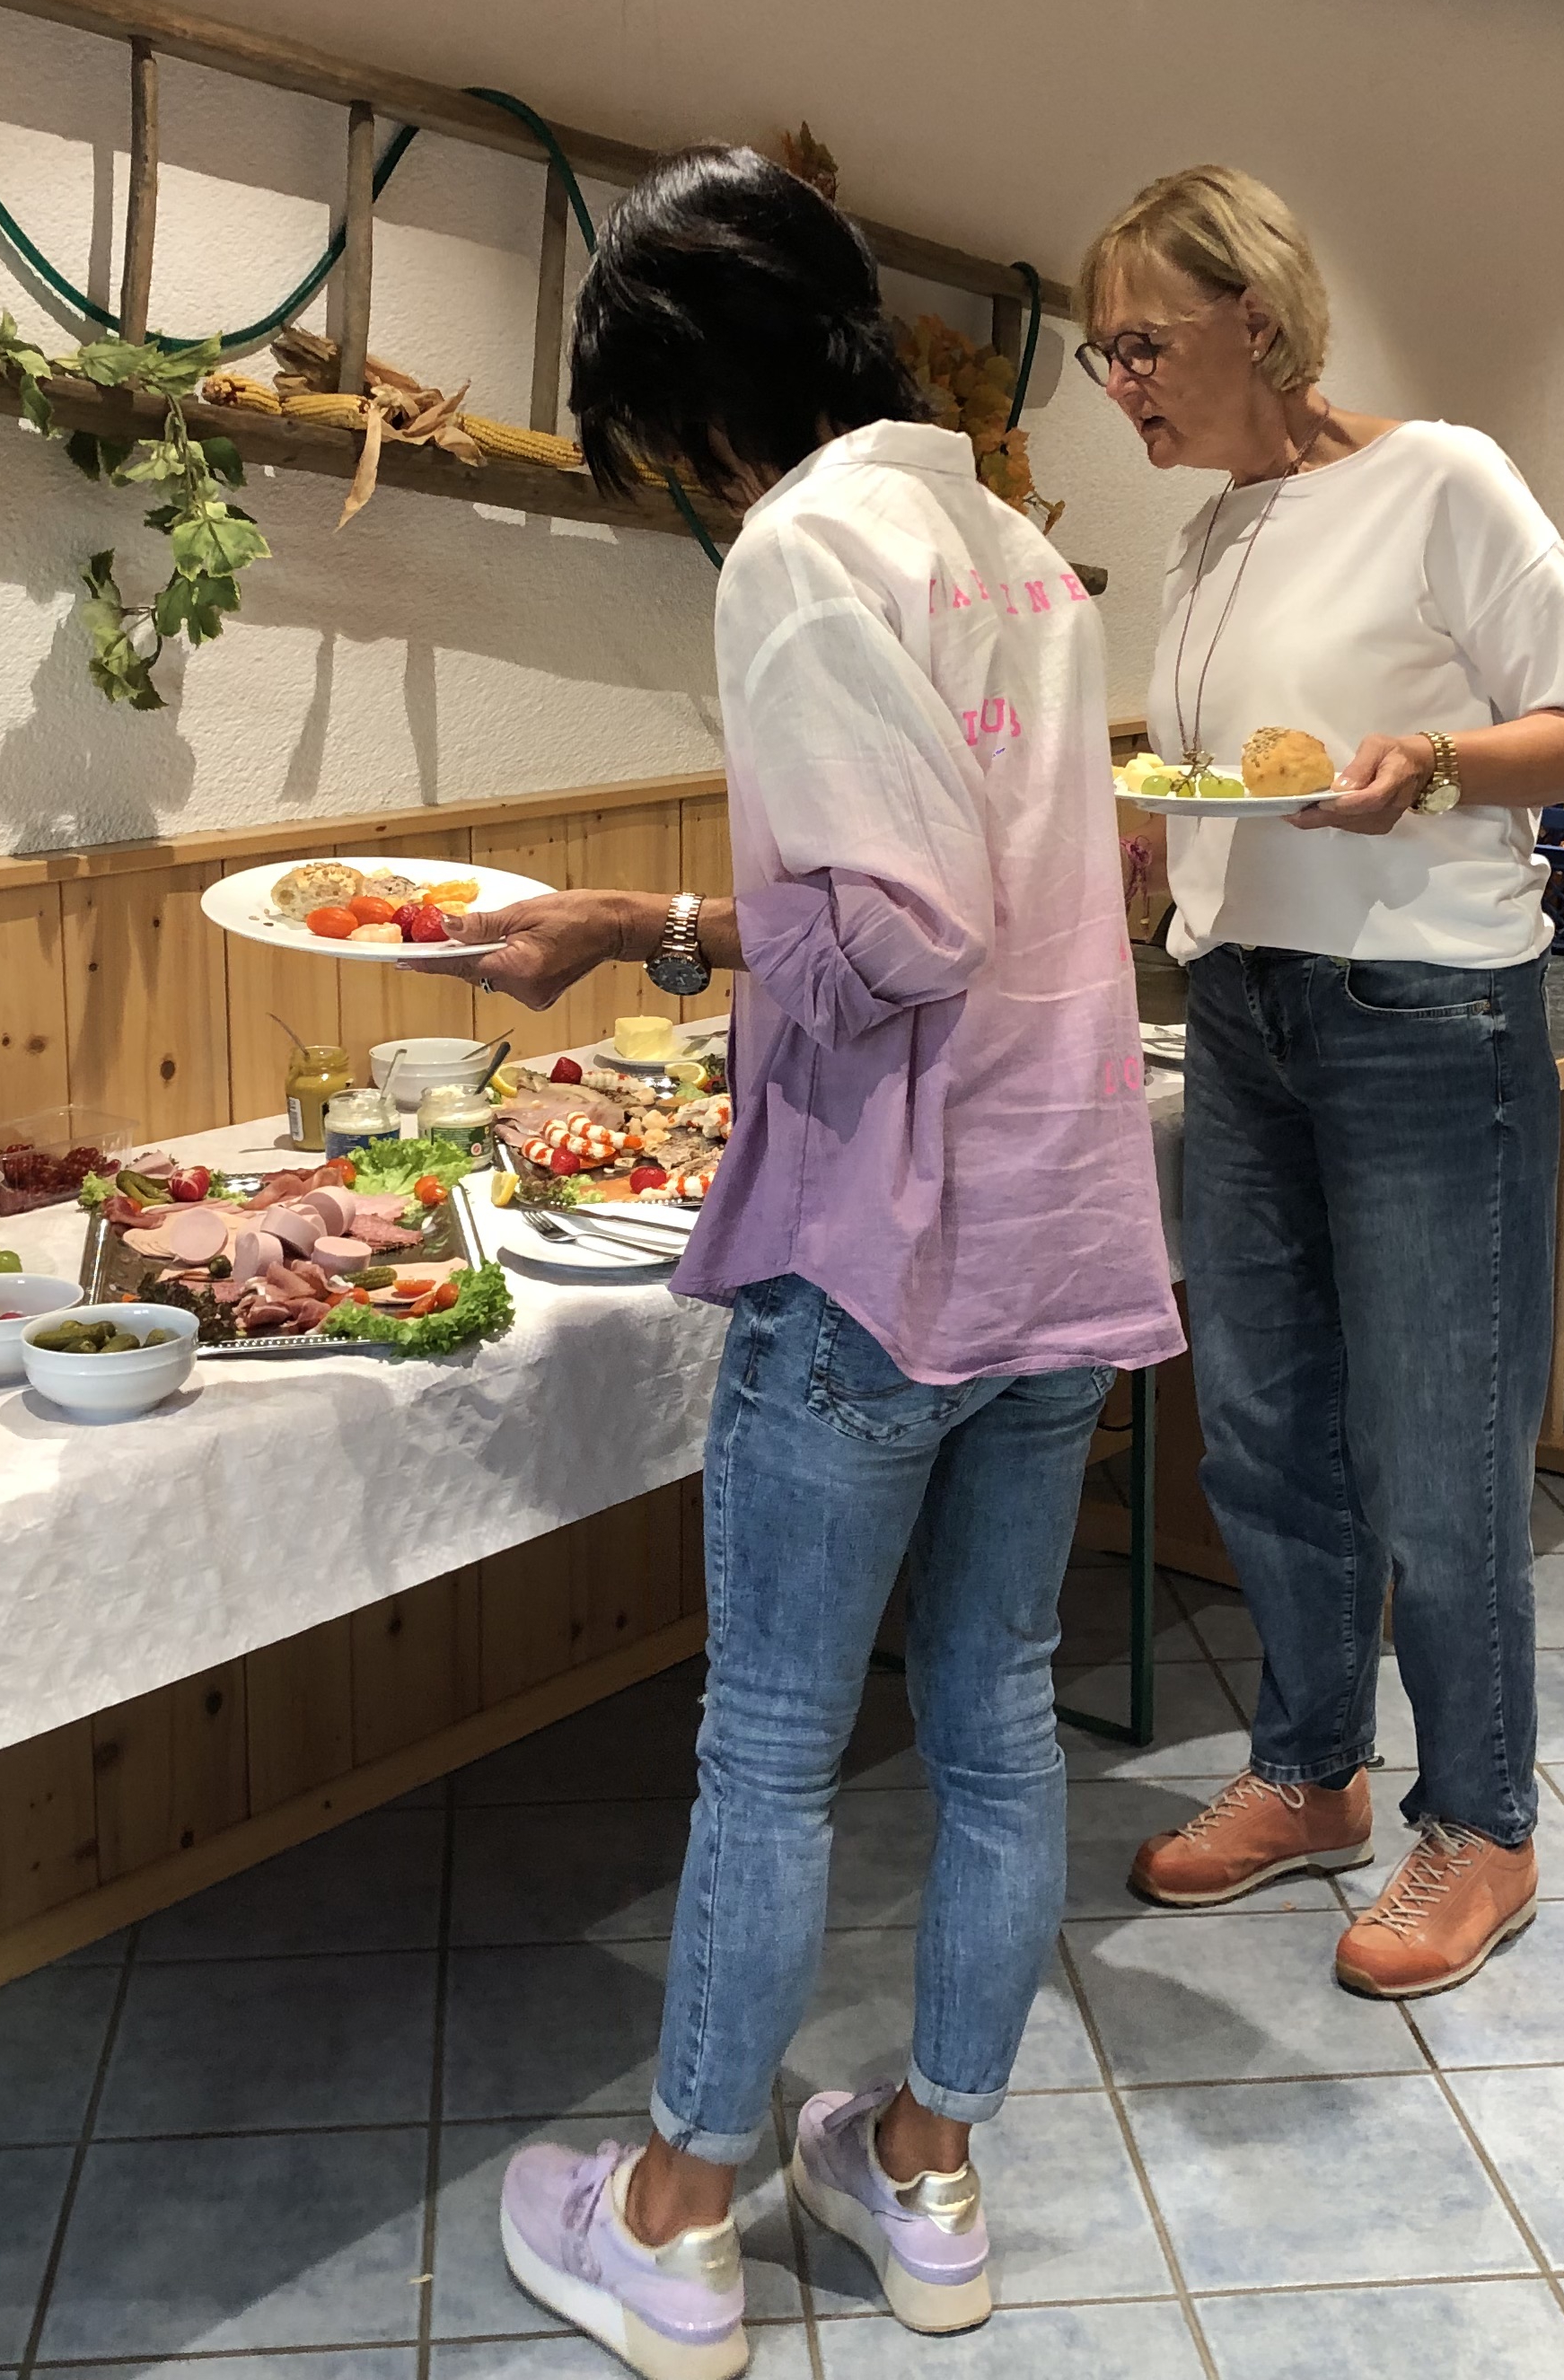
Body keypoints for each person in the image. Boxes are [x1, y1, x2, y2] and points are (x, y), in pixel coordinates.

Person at [451, 145, 1180, 2380]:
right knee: (994, 1715)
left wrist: (645, 926)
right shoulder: (1019, 550)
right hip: (1061, 1219)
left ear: (699, 406)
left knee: (769, 1747)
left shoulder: (795, 552)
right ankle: (926, 2175)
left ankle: (676, 2221)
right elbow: (1050, 888)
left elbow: (902, 931)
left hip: (882, 1248)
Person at [1078, 164, 1564, 2000]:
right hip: (1244, 1009)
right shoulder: (1214, 530)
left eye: (1144, 344)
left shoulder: (1443, 480)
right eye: (1101, 355)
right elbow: (1229, 766)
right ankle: (1312, 1770)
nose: (1123, 383)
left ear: (1257, 316)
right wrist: (1166, 843)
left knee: (1436, 1447)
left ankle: (1482, 1824)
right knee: (1261, 1423)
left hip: (1426, 1018)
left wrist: (1439, 767)